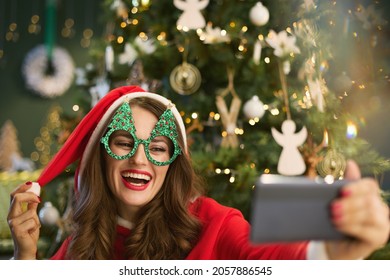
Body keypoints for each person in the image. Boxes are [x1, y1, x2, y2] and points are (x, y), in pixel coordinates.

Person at [7, 85, 390, 260]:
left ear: (173, 162)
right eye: (124, 143)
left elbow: (275, 258)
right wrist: (25, 257)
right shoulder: (80, 245)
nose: (141, 159)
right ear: (101, 157)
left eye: (158, 148)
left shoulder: (214, 224)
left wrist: (334, 251)